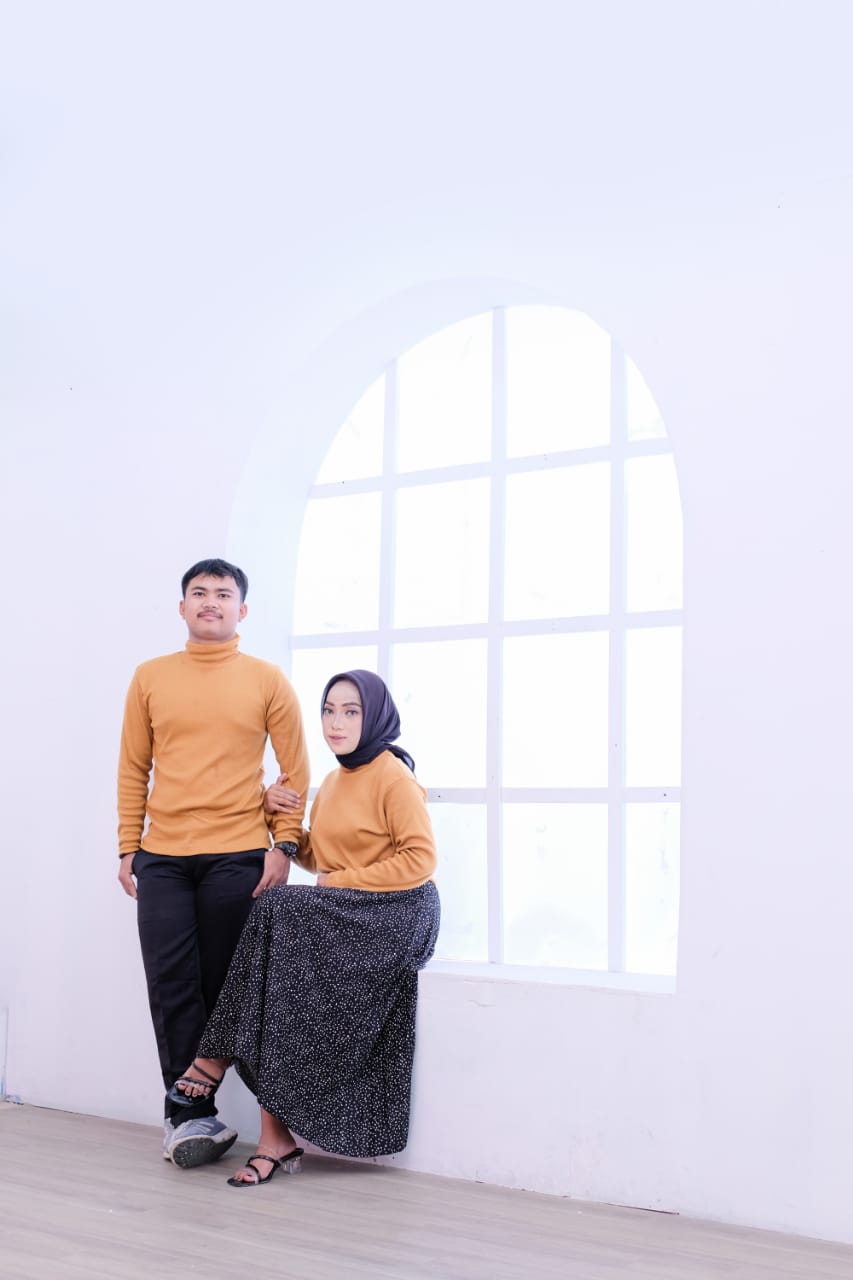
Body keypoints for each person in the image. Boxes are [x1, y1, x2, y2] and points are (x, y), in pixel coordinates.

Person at [168, 669, 441, 1187]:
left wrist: (339, 882)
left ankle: (214, 1055)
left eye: (351, 711)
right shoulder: (334, 782)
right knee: (277, 964)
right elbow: (320, 855)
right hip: (351, 910)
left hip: (401, 912)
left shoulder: (393, 777)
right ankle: (273, 1137)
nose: (336, 723)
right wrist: (273, 815)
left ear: (375, 717)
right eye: (329, 711)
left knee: (278, 908)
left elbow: (420, 860)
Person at [116, 557, 310, 1169]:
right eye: (198, 593)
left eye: (223, 594)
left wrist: (284, 845)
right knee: (170, 982)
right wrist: (127, 846)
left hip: (238, 853)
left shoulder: (267, 679)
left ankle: (220, 1109)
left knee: (225, 984)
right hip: (162, 857)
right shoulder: (150, 677)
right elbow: (133, 767)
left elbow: (295, 771)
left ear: (241, 610)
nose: (210, 602)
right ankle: (187, 1118)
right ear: (182, 608)